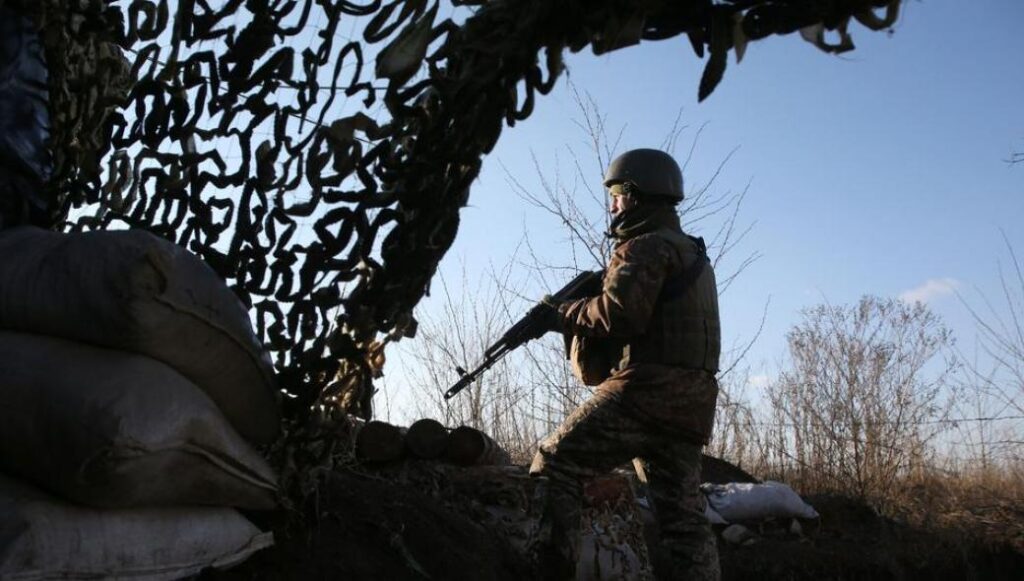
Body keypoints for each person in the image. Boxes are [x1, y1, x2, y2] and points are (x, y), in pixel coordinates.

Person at [530, 148, 722, 581]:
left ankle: (550, 568)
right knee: (683, 521)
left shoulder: (644, 247)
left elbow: (619, 313)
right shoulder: (693, 254)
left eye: (616, 193)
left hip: (643, 394)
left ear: (635, 195)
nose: (612, 203)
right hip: (690, 407)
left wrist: (562, 314)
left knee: (554, 463)